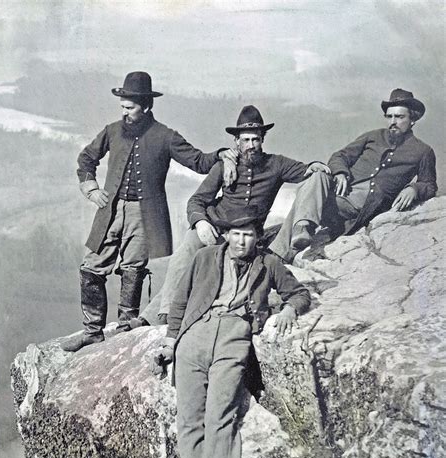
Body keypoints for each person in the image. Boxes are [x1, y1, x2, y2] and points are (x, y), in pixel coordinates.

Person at [152, 208, 310, 458]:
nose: (241, 240)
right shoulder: (204, 258)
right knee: (189, 417)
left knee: (221, 414)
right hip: (194, 334)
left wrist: (290, 310)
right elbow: (179, 301)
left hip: (235, 333)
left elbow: (299, 294)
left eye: (248, 234)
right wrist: (171, 341)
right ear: (226, 235)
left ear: (257, 237)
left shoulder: (269, 263)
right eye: (236, 234)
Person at [61, 71, 236, 352]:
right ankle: (92, 331)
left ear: (146, 106)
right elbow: (86, 158)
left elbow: (199, 161)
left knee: (133, 269)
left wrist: (222, 154)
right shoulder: (112, 131)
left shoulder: (165, 136)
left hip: (144, 216)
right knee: (91, 267)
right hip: (110, 210)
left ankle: (125, 330)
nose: (125, 112)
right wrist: (91, 188)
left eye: (130, 107)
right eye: (122, 107)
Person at [135, 104, 328, 326]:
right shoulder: (224, 165)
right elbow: (197, 200)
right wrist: (200, 223)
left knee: (205, 274)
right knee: (184, 256)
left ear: (262, 139)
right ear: (236, 141)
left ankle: (146, 320)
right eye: (245, 140)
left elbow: (307, 171)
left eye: (255, 139)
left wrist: (316, 167)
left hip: (245, 234)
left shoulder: (276, 164)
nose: (251, 145)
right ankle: (162, 316)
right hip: (214, 227)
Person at [269, 89, 438, 259]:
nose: (393, 122)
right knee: (318, 174)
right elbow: (339, 156)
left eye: (399, 117)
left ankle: (281, 251)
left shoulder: (422, 151)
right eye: (389, 116)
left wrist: (414, 188)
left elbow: (429, 184)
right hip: (336, 194)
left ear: (412, 120)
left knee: (304, 200)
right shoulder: (373, 136)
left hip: (361, 208)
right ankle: (302, 228)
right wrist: (341, 173)